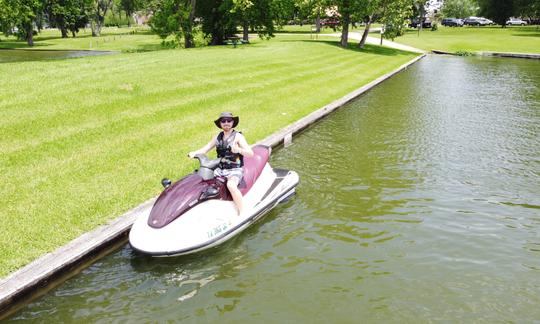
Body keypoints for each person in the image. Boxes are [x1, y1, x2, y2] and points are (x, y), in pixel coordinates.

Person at [188, 112, 254, 215]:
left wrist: (238, 150)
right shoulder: (217, 137)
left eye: (229, 121)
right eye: (223, 121)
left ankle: (242, 211)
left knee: (231, 185)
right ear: (220, 123)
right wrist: (194, 153)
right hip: (220, 169)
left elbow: (250, 153)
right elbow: (205, 149)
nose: (226, 123)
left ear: (233, 122)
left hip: (234, 169)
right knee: (201, 180)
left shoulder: (238, 136)